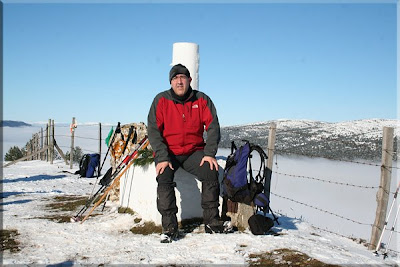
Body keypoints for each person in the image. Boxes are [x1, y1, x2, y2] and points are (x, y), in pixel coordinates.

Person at [147, 64, 228, 243]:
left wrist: (209, 153)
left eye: (183, 77)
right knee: (164, 177)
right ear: (171, 82)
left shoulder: (202, 99)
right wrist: (161, 157)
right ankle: (169, 228)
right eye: (175, 78)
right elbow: (153, 130)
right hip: (169, 153)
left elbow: (213, 126)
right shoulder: (161, 100)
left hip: (194, 152)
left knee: (210, 171)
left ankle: (212, 222)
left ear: (189, 80)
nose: (179, 81)